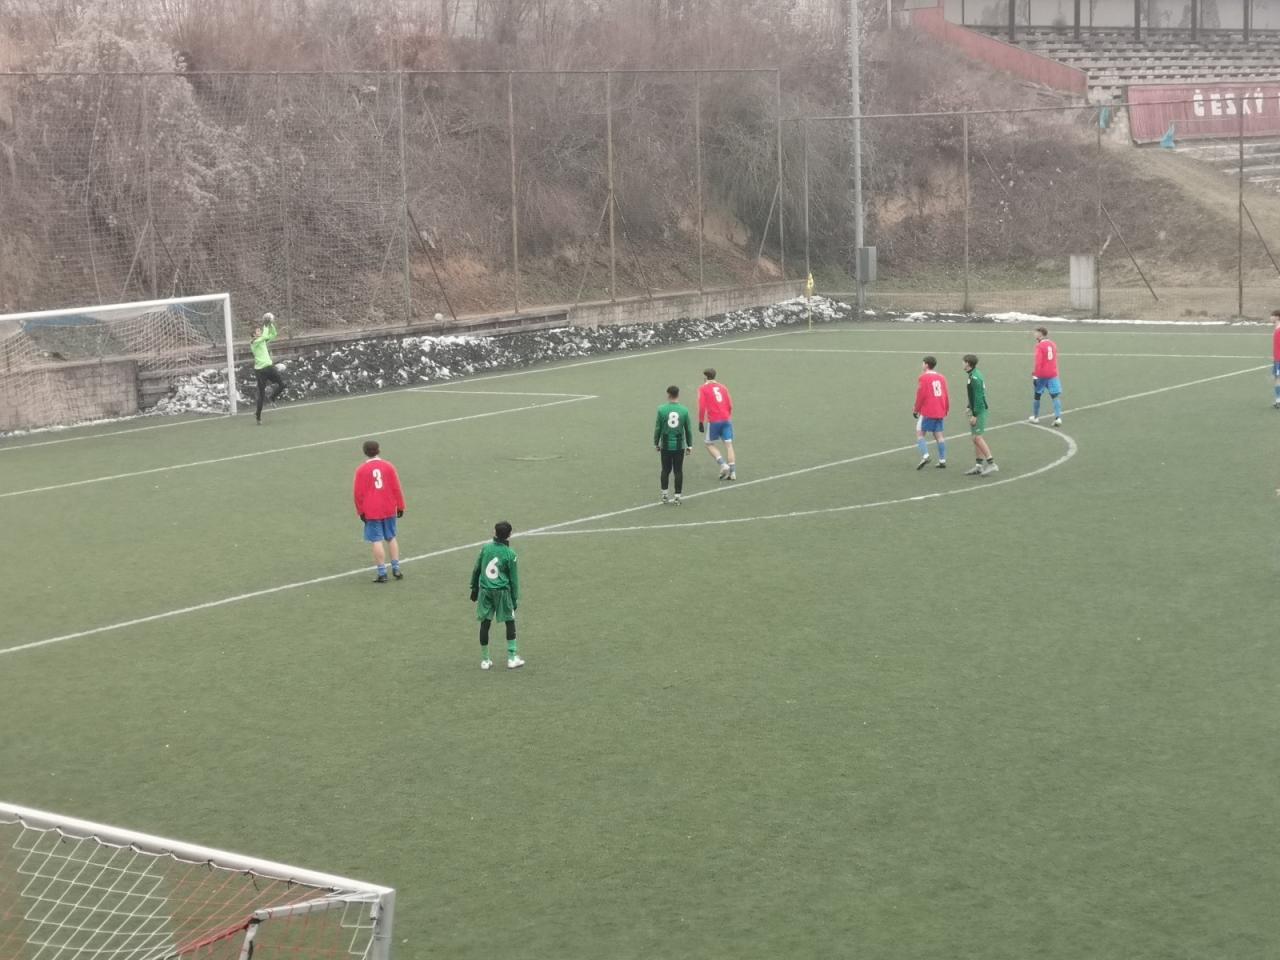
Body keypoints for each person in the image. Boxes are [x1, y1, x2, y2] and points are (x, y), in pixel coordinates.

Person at [470, 520, 523, 670]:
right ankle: (512, 658)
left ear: (495, 532)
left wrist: (474, 588)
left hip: (485, 590)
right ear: (509, 535)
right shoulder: (510, 554)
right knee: (510, 621)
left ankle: (485, 660)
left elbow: (476, 569)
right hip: (502, 592)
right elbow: (514, 580)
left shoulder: (485, 548)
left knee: (485, 623)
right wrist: (514, 599)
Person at [352, 439, 405, 583]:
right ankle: (396, 568)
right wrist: (400, 506)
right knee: (391, 537)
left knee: (376, 540)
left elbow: (358, 493)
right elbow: (396, 487)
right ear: (379, 450)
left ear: (364, 452)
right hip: (389, 506)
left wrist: (360, 511)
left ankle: (382, 573)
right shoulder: (388, 466)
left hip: (372, 510)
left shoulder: (361, 470)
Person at [654, 384, 693, 504]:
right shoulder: (684, 410)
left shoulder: (661, 409)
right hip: (679, 446)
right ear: (678, 395)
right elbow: (688, 429)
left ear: (668, 395)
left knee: (665, 470)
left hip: (665, 445)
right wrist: (689, 445)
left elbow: (658, 428)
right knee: (678, 471)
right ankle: (677, 497)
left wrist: (656, 443)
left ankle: (664, 495)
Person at [962, 354, 998, 476]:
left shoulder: (975, 378)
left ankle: (992, 463)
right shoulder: (973, 374)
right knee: (975, 438)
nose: (962, 364)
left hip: (980, 410)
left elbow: (978, 397)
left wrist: (975, 414)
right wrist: (969, 406)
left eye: (963, 362)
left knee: (978, 437)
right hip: (976, 409)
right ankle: (979, 466)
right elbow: (973, 394)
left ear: (968, 363)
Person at [697, 368, 736, 480]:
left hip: (714, 420)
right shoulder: (723, 387)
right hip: (726, 419)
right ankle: (733, 473)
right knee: (729, 445)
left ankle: (723, 464)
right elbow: (730, 405)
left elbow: (702, 407)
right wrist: (728, 416)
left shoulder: (703, 388)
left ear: (705, 377)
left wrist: (701, 421)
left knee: (709, 444)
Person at [913, 356, 949, 469]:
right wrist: (946, 409)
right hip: (940, 410)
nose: (922, 365)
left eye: (923, 363)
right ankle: (942, 460)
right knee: (939, 435)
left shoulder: (923, 377)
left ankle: (925, 455)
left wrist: (916, 409)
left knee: (920, 433)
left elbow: (921, 395)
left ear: (926, 365)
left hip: (928, 410)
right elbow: (945, 394)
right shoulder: (941, 377)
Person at [250, 312, 287, 424]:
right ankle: (258, 416)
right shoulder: (254, 342)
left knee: (282, 384)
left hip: (269, 368)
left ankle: (272, 397)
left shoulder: (262, 340)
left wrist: (270, 324)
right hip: (260, 371)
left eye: (260, 331)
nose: (260, 332)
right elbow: (265, 336)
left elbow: (274, 334)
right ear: (253, 335)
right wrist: (265, 324)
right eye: (258, 331)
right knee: (261, 394)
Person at [1029, 326, 1063, 427]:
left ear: (1040, 334)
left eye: (1036, 333)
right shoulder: (1053, 344)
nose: (1034, 334)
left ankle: (1035, 417)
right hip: (1053, 373)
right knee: (1055, 396)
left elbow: (1038, 362)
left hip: (1042, 374)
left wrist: (1035, 375)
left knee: (1037, 395)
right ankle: (1058, 418)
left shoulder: (1039, 346)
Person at [1271, 309, 1280, 409]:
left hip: (1279, 359)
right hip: (1276, 359)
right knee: (1276, 378)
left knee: (1278, 378)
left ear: (1277, 317)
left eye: (1272, 316)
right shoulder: (1276, 328)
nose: (1270, 318)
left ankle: (1278, 400)